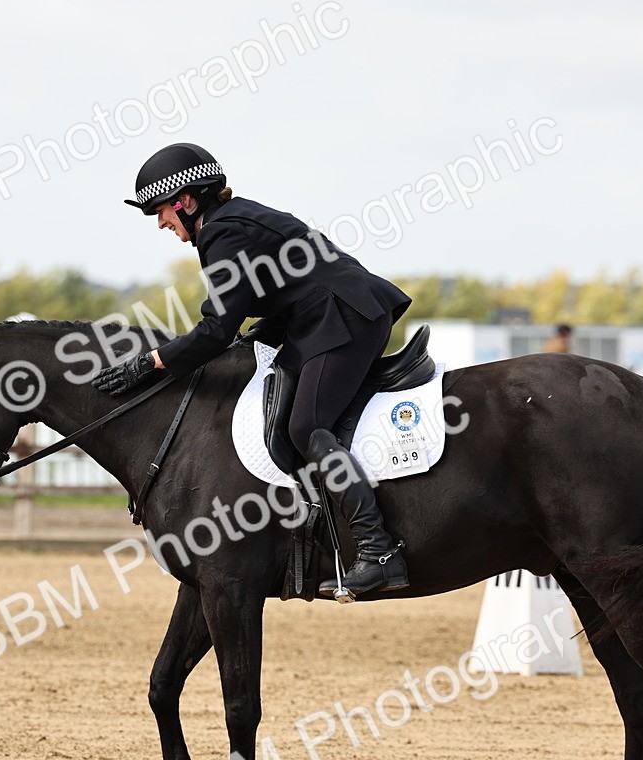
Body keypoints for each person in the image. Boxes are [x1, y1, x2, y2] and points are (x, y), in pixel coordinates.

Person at [92, 143, 413, 596]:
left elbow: (218, 328)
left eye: (160, 211)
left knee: (306, 426)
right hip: (318, 317)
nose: (161, 222)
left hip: (342, 317)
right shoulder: (230, 222)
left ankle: (378, 550)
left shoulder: (223, 233)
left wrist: (151, 362)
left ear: (185, 200)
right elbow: (275, 295)